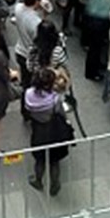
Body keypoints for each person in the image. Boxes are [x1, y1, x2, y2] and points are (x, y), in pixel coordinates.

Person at [24, 67, 72, 196]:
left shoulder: (29, 94)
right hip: (53, 131)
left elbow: (27, 108)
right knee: (54, 161)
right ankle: (54, 185)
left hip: (38, 130)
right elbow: (61, 113)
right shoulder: (54, 99)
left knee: (40, 160)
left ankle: (38, 180)